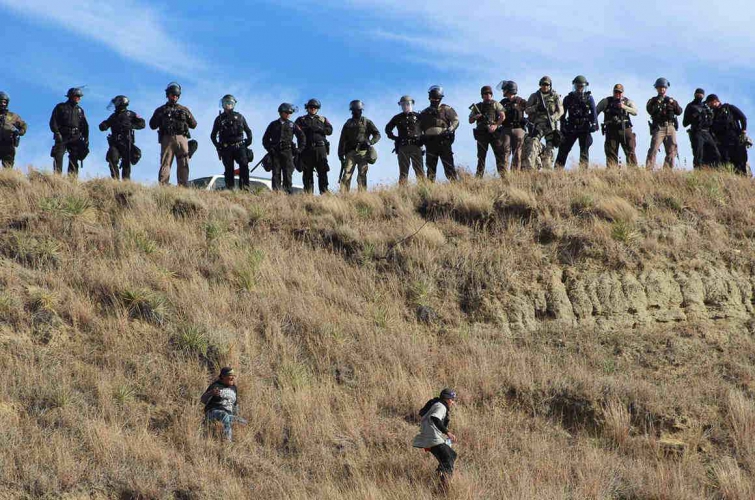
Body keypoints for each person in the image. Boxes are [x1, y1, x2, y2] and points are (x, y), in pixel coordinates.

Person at [149, 82, 197, 186]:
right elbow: (152, 125)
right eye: (173, 95)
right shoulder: (163, 110)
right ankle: (164, 186)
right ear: (168, 95)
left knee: (183, 162)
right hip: (168, 138)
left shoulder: (182, 110)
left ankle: (182, 186)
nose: (174, 97)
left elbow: (194, 124)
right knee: (166, 163)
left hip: (180, 138)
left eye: (176, 95)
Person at [412, 388, 458, 489]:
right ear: (447, 399)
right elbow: (435, 418)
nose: (453, 402)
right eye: (452, 399)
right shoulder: (441, 406)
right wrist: (448, 432)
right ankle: (443, 487)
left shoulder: (437, 404)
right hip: (432, 437)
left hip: (430, 437)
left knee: (450, 456)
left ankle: (439, 477)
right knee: (449, 458)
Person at [555, 75, 598, 169]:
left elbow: (594, 112)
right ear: (574, 86)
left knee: (584, 149)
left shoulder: (589, 98)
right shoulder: (568, 98)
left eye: (581, 86)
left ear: (584, 87)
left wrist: (594, 125)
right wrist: (562, 128)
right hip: (571, 126)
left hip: (584, 127)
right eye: (578, 86)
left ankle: (583, 171)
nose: (579, 88)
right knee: (563, 148)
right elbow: (562, 114)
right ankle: (557, 170)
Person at [211, 95, 253, 190]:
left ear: (233, 104)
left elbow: (248, 131)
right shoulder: (219, 119)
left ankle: (245, 188)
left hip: (240, 146)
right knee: (229, 168)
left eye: (230, 103)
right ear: (222, 104)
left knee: (244, 165)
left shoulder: (240, 117)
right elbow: (213, 135)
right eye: (226, 103)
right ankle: (230, 188)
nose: (228, 105)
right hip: (226, 148)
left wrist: (247, 142)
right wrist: (218, 146)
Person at [98, 95, 145, 180]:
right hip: (115, 143)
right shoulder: (113, 116)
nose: (114, 105)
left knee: (126, 163)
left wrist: (131, 126)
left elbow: (142, 124)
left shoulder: (130, 114)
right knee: (112, 157)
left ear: (120, 103)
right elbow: (105, 124)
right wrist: (103, 125)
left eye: (115, 103)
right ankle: (115, 180)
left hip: (126, 142)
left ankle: (126, 183)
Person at [262, 103, 306, 193]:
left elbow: (302, 137)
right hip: (275, 152)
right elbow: (265, 139)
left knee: (287, 174)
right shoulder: (273, 124)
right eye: (286, 112)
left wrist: (299, 149)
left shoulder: (292, 125)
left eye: (290, 113)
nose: (289, 114)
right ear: (281, 112)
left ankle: (288, 194)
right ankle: (276, 194)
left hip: (288, 152)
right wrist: (270, 149)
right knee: (276, 174)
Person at [337, 100, 380, 192]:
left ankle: (362, 196)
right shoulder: (348, 123)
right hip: (350, 153)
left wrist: (370, 142)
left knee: (362, 174)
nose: (356, 112)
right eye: (354, 110)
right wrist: (340, 154)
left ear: (361, 110)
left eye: (358, 110)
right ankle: (343, 196)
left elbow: (377, 134)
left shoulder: (366, 122)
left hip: (363, 153)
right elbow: (342, 140)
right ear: (351, 111)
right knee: (346, 174)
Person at [419, 86, 459, 182]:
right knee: (430, 169)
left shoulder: (446, 109)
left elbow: (456, 120)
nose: (434, 100)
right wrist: (420, 145)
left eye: (436, 99)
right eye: (433, 98)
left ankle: (456, 187)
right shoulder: (424, 112)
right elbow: (419, 129)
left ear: (440, 98)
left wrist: (450, 129)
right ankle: (430, 190)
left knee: (449, 166)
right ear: (429, 98)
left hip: (444, 141)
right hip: (430, 143)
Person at [523, 76, 563, 170]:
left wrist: (553, 118)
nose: (545, 86)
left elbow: (560, 111)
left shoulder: (555, 96)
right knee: (533, 143)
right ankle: (531, 168)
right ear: (540, 85)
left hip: (551, 125)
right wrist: (536, 107)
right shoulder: (535, 96)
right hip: (538, 125)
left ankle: (547, 169)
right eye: (543, 84)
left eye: (547, 84)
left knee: (550, 147)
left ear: (550, 85)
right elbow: (527, 110)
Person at [295, 99, 333, 194]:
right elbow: (295, 130)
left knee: (323, 171)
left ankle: (324, 193)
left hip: (320, 149)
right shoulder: (301, 119)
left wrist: (321, 129)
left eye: (315, 107)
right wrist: (307, 129)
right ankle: (308, 195)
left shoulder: (322, 119)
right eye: (311, 107)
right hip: (307, 149)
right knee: (307, 173)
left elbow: (330, 130)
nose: (313, 109)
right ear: (307, 108)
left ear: (317, 109)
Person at [596, 84, 639, 168]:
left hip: (625, 129)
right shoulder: (606, 101)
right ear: (613, 92)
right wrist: (594, 123)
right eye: (616, 92)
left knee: (630, 151)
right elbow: (596, 111)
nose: (618, 94)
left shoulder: (627, 101)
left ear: (623, 93)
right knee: (611, 153)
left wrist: (624, 107)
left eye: (620, 92)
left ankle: (633, 172)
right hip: (611, 130)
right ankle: (612, 173)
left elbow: (635, 112)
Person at [200, 367, 248, 442]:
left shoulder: (234, 388)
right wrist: (211, 393)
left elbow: (235, 405)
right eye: (230, 375)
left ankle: (240, 441)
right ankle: (227, 440)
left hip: (228, 414)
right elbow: (203, 400)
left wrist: (236, 415)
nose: (232, 378)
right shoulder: (215, 385)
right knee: (224, 415)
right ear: (223, 376)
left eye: (233, 375)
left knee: (244, 422)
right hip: (213, 412)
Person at [385, 95, 425, 185]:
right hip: (403, 147)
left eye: (407, 104)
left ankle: (424, 190)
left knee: (419, 170)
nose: (405, 106)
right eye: (403, 104)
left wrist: (423, 139)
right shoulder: (397, 117)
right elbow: (387, 129)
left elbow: (426, 129)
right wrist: (395, 138)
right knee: (403, 172)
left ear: (412, 104)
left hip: (416, 146)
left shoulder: (419, 116)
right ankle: (403, 193)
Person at [50, 87, 89, 176]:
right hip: (62, 136)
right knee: (58, 156)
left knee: (74, 158)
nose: (79, 98)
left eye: (80, 96)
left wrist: (86, 138)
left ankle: (72, 179)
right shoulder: (60, 107)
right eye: (77, 96)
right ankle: (57, 178)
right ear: (71, 96)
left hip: (75, 137)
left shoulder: (80, 110)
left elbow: (85, 126)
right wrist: (57, 133)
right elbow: (53, 121)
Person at [645, 78, 683, 170]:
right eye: (660, 87)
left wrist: (673, 103)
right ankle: (648, 170)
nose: (662, 89)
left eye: (663, 87)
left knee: (672, 150)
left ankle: (667, 171)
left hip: (670, 127)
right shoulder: (653, 100)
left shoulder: (671, 100)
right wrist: (656, 104)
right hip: (659, 127)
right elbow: (649, 110)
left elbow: (679, 111)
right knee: (653, 149)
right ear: (656, 88)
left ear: (666, 88)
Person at [707, 94, 749, 175]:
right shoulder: (712, 115)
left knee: (740, 161)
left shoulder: (729, 108)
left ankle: (743, 180)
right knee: (726, 162)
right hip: (722, 142)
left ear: (715, 101)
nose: (709, 105)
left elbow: (742, 117)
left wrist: (743, 130)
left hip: (735, 138)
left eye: (709, 103)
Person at [469, 85, 506, 177]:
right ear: (482, 95)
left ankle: (503, 176)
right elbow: (470, 120)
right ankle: (479, 177)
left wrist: (495, 125)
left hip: (493, 133)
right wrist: (475, 117)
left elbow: (502, 116)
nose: (488, 95)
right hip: (482, 133)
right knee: (481, 157)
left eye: (490, 93)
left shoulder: (495, 104)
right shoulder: (477, 106)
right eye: (485, 93)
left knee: (499, 155)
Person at [497, 80, 528, 171]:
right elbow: (497, 113)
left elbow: (528, 108)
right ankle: (505, 176)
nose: (503, 91)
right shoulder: (503, 102)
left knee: (517, 153)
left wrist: (521, 106)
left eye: (504, 89)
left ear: (509, 89)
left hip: (518, 128)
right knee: (505, 151)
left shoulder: (520, 100)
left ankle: (515, 175)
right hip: (506, 129)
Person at [0, 92, 27, 169]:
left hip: (8, 145)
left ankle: (7, 180)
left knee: (8, 168)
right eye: (0, 102)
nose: (2, 104)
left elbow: (23, 125)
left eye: (4, 102)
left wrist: (20, 132)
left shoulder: (12, 116)